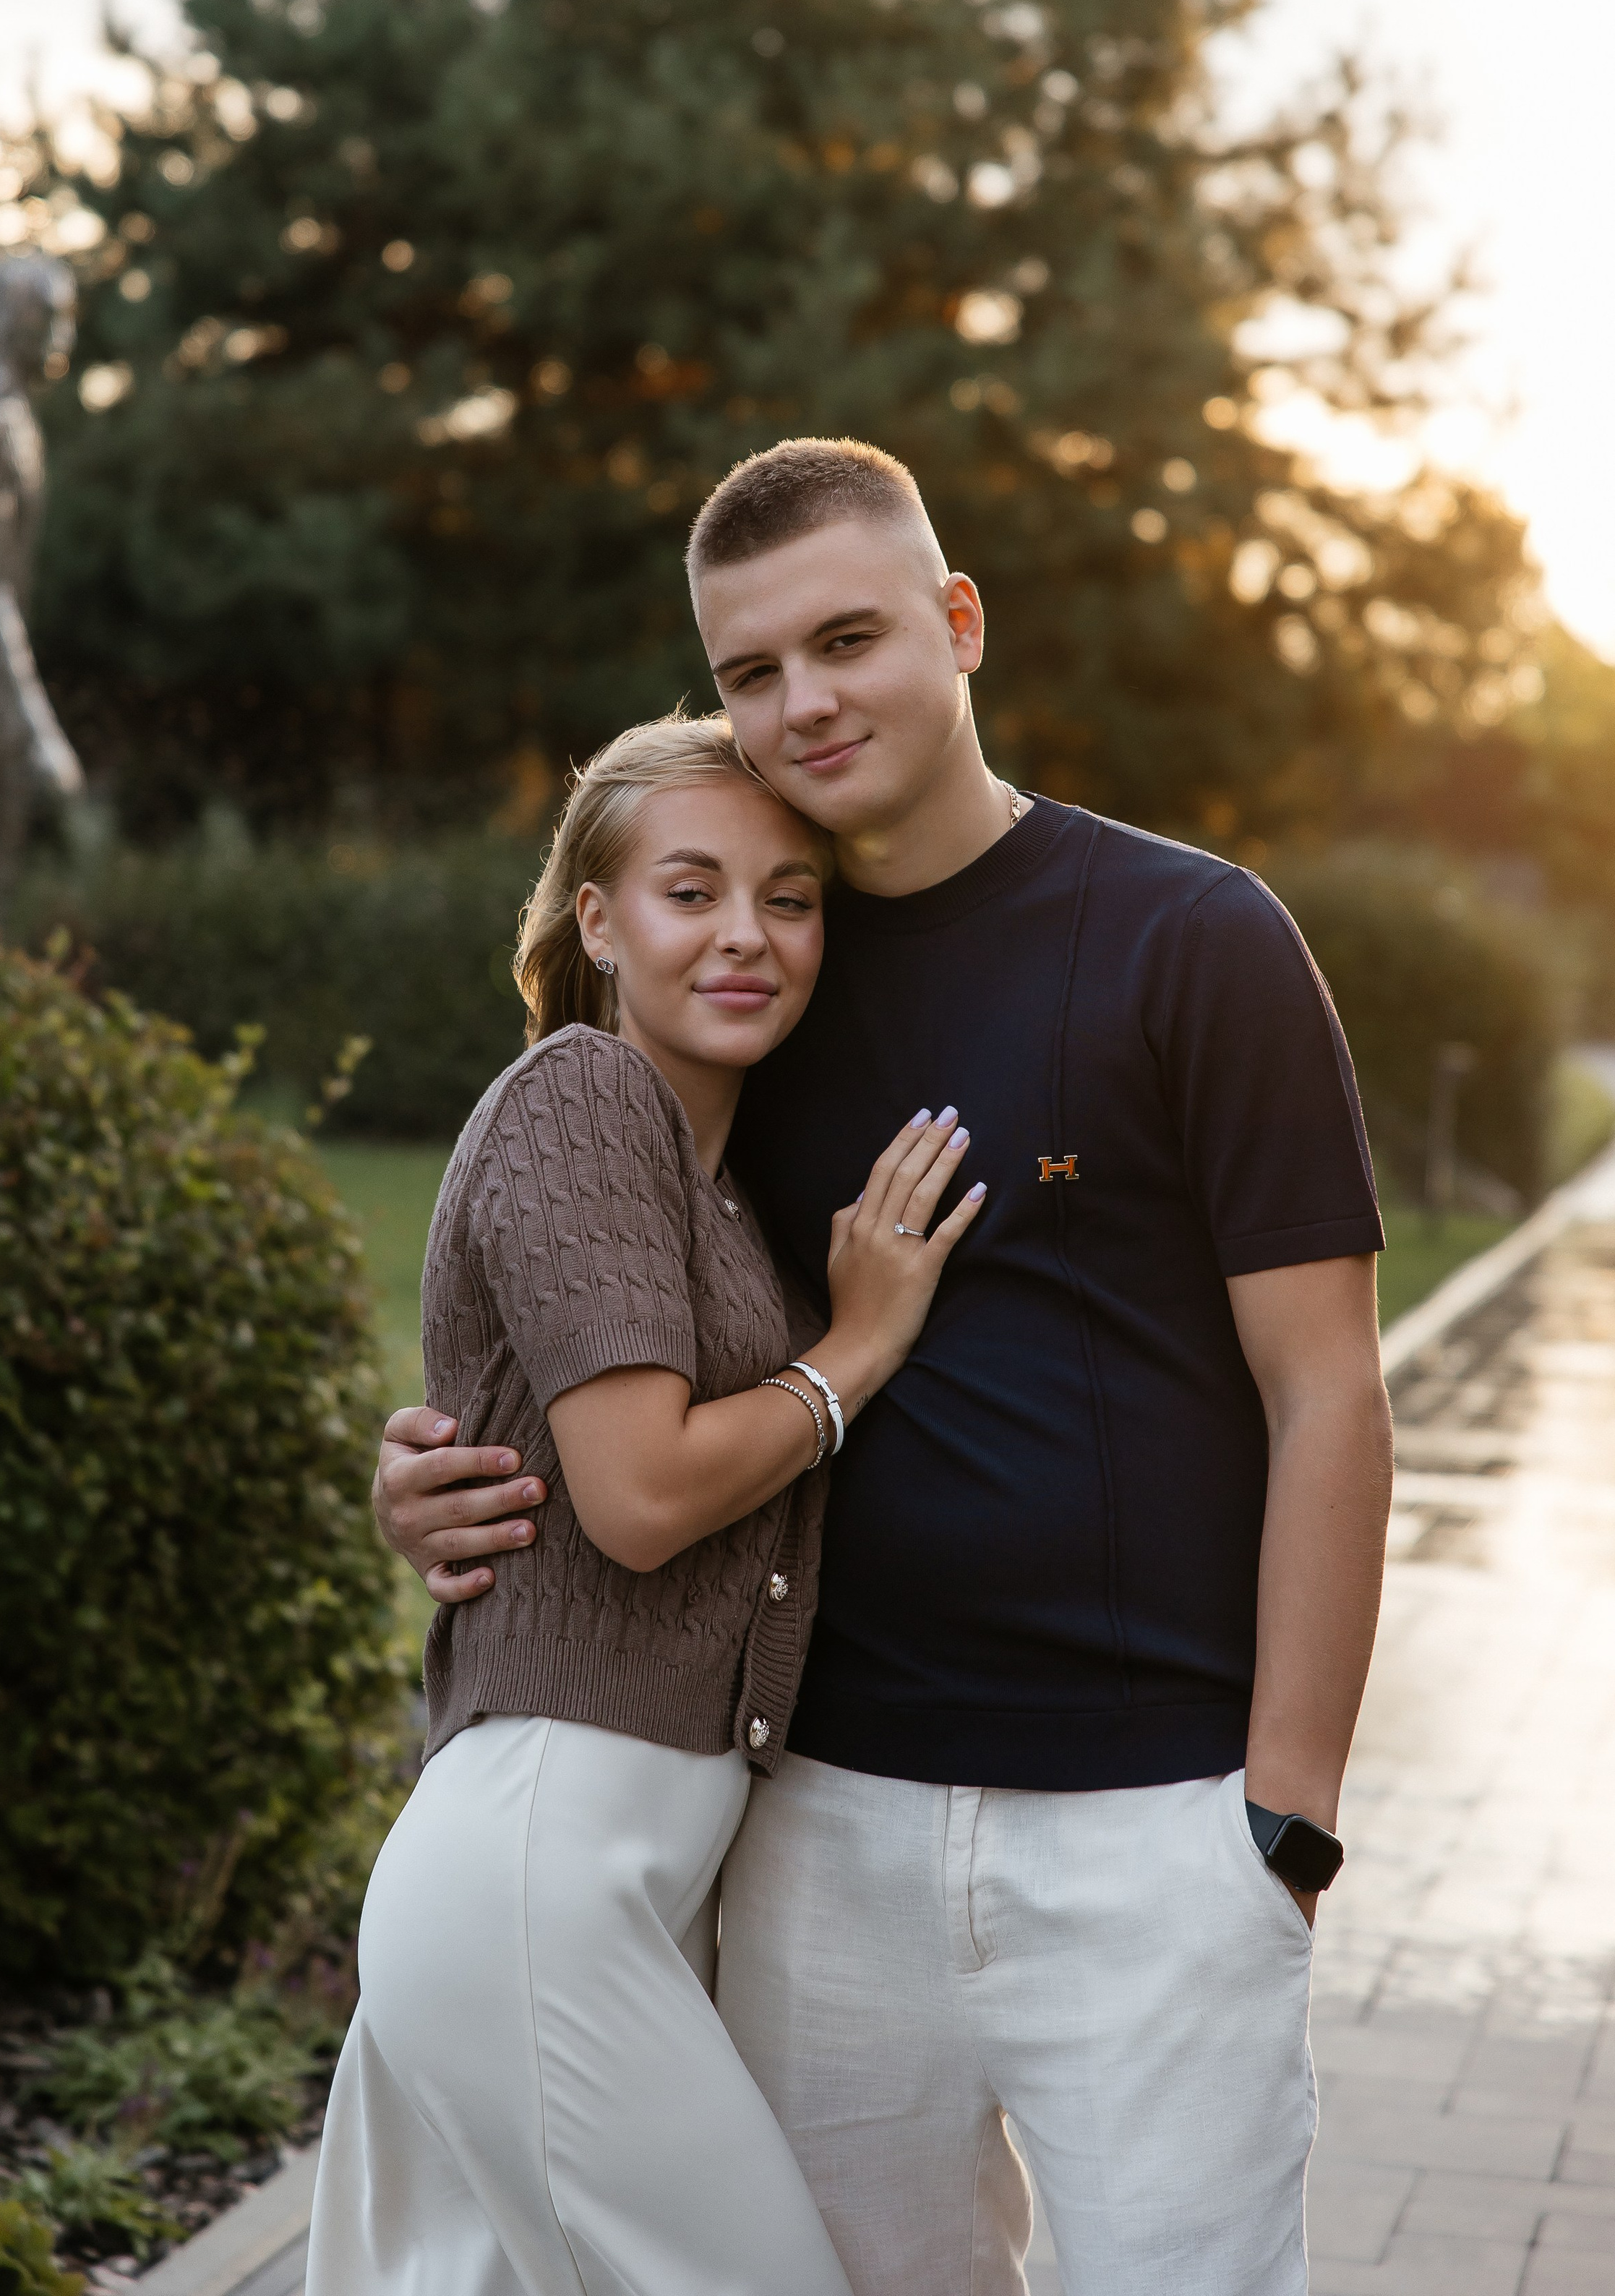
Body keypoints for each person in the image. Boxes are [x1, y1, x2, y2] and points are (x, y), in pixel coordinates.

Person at [376, 440, 1395, 2296]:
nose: (800, 703)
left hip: (1151, 1831)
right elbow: (594, 1298)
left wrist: (1284, 1813)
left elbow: (1326, 1387)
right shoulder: (747, 995)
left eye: (844, 640)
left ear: (957, 623)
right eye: (749, 671)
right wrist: (434, 1465)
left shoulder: (1191, 939)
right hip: (812, 1825)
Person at [306, 710, 986, 2296]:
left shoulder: (711, 1172)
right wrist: (854, 1351)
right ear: (598, 921)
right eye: (693, 891)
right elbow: (638, 1496)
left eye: (790, 897)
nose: (746, 934)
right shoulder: (586, 1096)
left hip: (602, 1882)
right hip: (540, 1877)